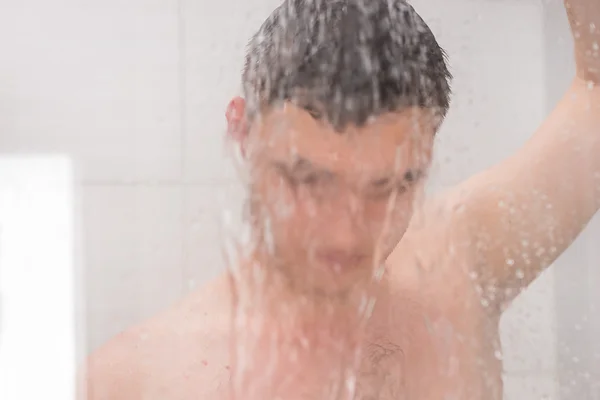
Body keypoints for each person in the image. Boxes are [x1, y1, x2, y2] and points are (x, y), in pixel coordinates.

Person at [84, 0, 600, 399]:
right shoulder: (136, 379)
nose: (347, 233)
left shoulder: (464, 259)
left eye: (390, 186)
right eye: (309, 180)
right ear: (241, 133)